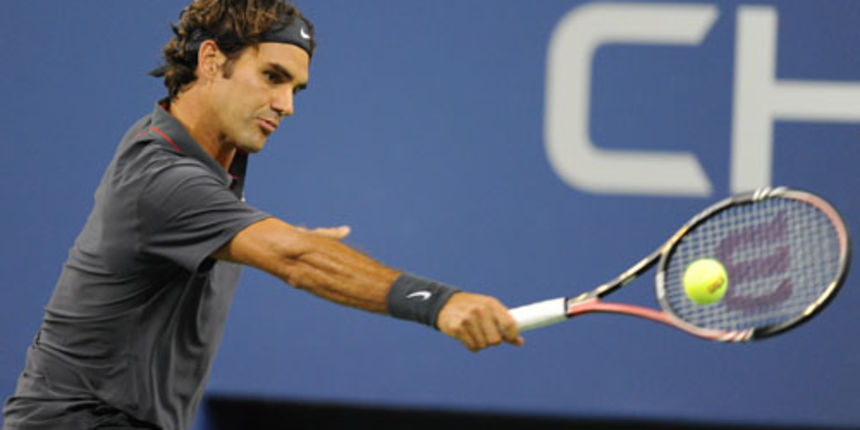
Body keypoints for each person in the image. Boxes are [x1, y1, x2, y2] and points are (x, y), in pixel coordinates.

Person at [2, 1, 522, 429]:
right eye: (272, 77)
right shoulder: (163, 178)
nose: (286, 104)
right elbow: (297, 260)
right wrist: (440, 303)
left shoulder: (196, 166)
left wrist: (280, 242)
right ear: (210, 60)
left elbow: (272, 245)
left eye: (294, 88)